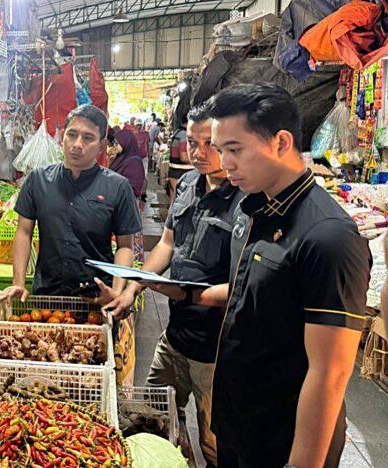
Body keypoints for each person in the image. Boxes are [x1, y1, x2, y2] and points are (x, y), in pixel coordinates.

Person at [150, 84, 371, 467]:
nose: (224, 161)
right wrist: (186, 294)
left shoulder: (327, 237)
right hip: (239, 416)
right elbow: (246, 292)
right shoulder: (254, 211)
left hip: (281, 439)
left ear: (281, 142)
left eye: (233, 149)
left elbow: (329, 375)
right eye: (220, 150)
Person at [108, 104, 243, 467]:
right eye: (192, 142)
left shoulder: (247, 200)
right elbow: (168, 243)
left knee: (215, 438)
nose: (198, 152)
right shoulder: (186, 185)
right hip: (175, 335)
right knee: (154, 417)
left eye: (209, 143)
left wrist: (186, 293)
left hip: (215, 350)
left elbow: (246, 285)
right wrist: (135, 286)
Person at [0, 104, 142, 310]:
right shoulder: (38, 180)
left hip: (96, 296)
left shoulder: (118, 187)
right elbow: (23, 231)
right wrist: (19, 282)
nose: (77, 144)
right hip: (47, 294)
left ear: (101, 146)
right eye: (72, 135)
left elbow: (125, 246)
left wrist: (117, 292)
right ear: (62, 136)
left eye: (88, 138)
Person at [109, 129, 147, 264]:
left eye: (117, 143)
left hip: (128, 207)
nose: (115, 146)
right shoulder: (121, 159)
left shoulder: (134, 162)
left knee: (128, 242)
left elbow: (134, 188)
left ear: (126, 142)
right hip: (118, 206)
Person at [167, 119, 193, 200]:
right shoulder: (184, 135)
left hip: (174, 171)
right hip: (182, 171)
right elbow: (184, 157)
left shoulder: (177, 132)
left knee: (173, 200)